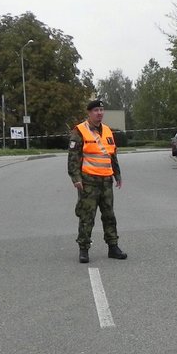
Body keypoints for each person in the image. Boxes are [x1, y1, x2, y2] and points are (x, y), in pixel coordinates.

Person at [67, 99, 127, 263]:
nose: (99, 113)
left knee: (109, 215)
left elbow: (112, 154)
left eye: (101, 110)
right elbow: (73, 158)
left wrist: (117, 174)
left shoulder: (107, 131)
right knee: (87, 216)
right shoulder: (79, 131)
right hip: (88, 182)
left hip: (106, 181)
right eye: (96, 110)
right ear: (89, 113)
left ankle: (113, 247)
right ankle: (84, 249)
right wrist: (75, 178)